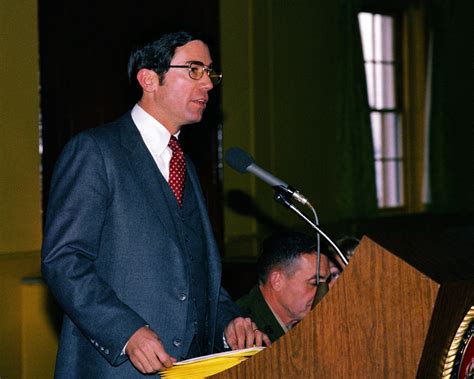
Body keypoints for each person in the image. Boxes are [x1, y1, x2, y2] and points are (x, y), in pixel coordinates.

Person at [41, 30, 269, 378]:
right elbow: (64, 261)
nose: (208, 84)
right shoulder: (96, 151)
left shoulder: (185, 164)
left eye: (210, 73)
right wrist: (126, 332)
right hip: (115, 369)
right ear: (149, 78)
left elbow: (196, 268)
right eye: (194, 70)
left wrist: (228, 321)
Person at [236, 231, 330, 343]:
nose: (325, 293)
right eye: (315, 283)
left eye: (327, 282)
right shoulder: (242, 331)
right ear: (277, 280)